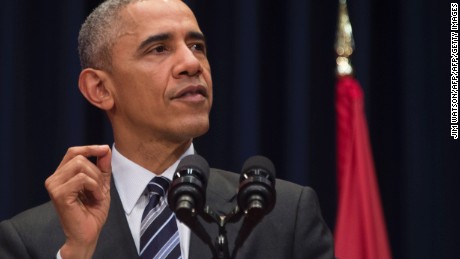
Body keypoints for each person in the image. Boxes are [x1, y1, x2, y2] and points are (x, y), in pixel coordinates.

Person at [0, 0, 334, 258]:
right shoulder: (32, 240)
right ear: (99, 89)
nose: (192, 64)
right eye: (159, 49)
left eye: (197, 46)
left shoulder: (283, 215)